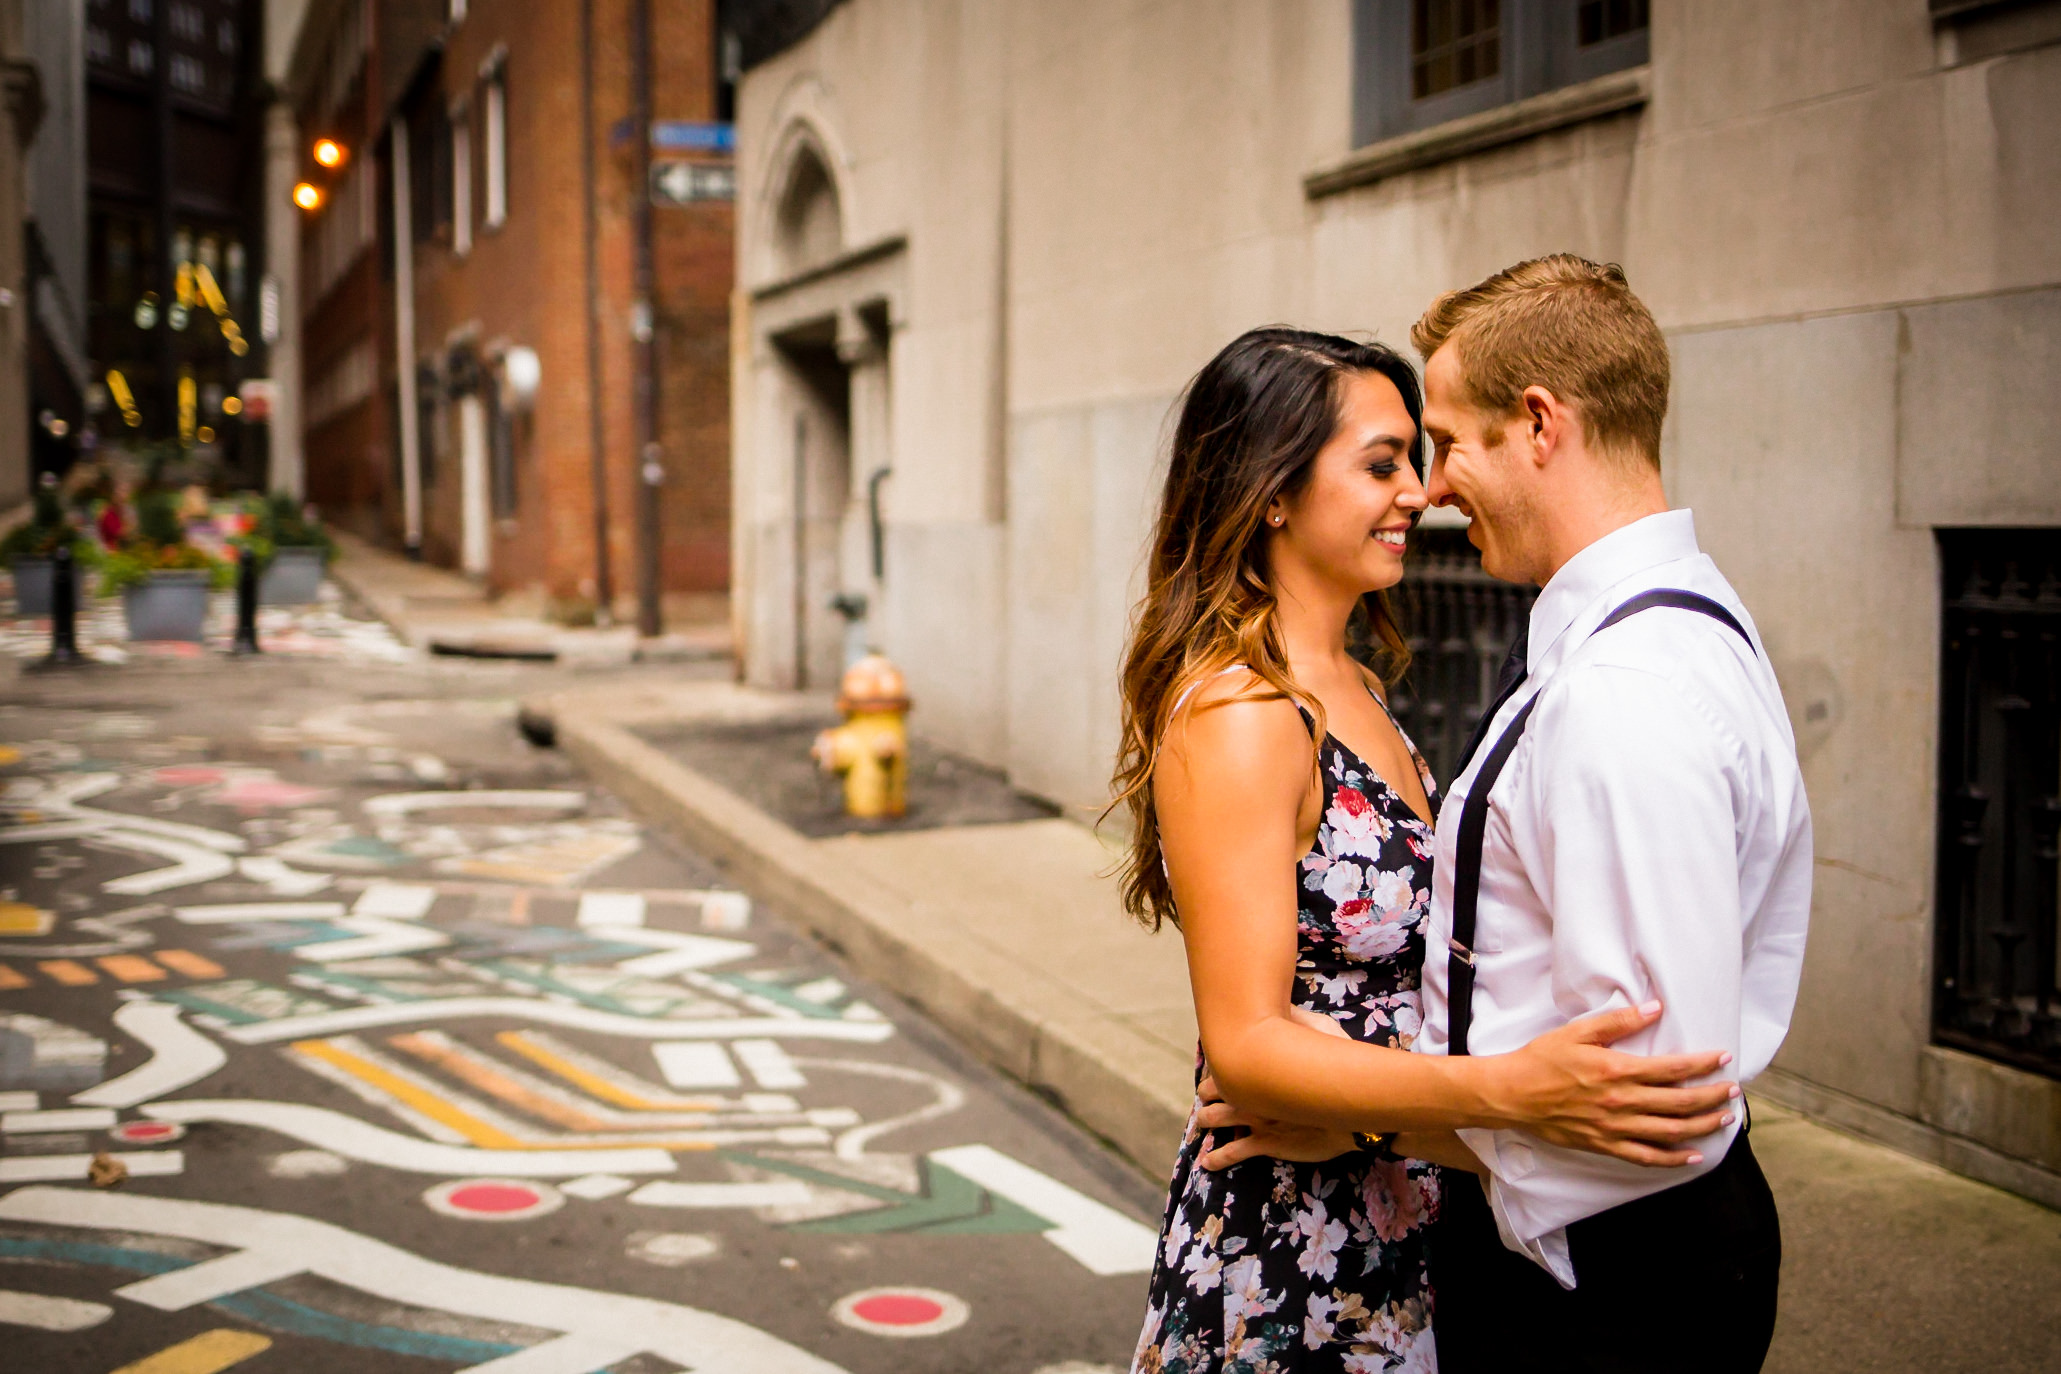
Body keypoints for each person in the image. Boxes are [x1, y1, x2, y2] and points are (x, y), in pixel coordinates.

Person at [1202, 259, 1813, 1373]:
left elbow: (1639, 1110)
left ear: (1539, 424)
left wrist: (1385, 1126)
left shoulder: (1620, 690)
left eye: (1445, 444)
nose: (1432, 488)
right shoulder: (1685, 624)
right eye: (1394, 458)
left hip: (1600, 1286)